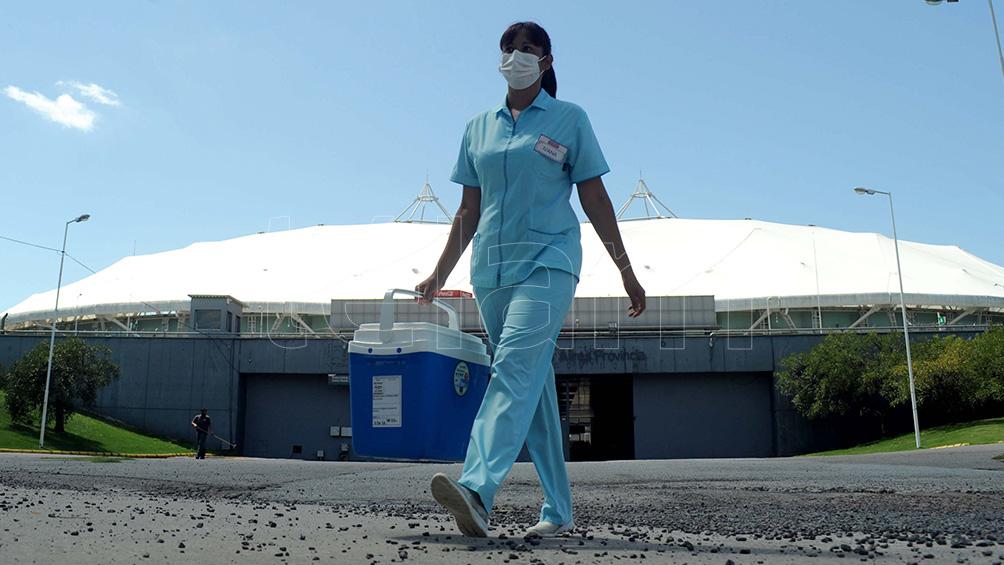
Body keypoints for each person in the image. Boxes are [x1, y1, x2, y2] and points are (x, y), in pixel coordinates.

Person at [416, 21, 646, 539]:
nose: (517, 55)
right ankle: (559, 510)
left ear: (546, 61)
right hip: (491, 272)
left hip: (549, 262)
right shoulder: (479, 127)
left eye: (529, 49)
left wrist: (626, 271)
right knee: (533, 388)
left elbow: (596, 200)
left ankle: (477, 490)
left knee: (513, 370)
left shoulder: (569, 119)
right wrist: (438, 274)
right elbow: (467, 211)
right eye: (510, 48)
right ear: (500, 58)